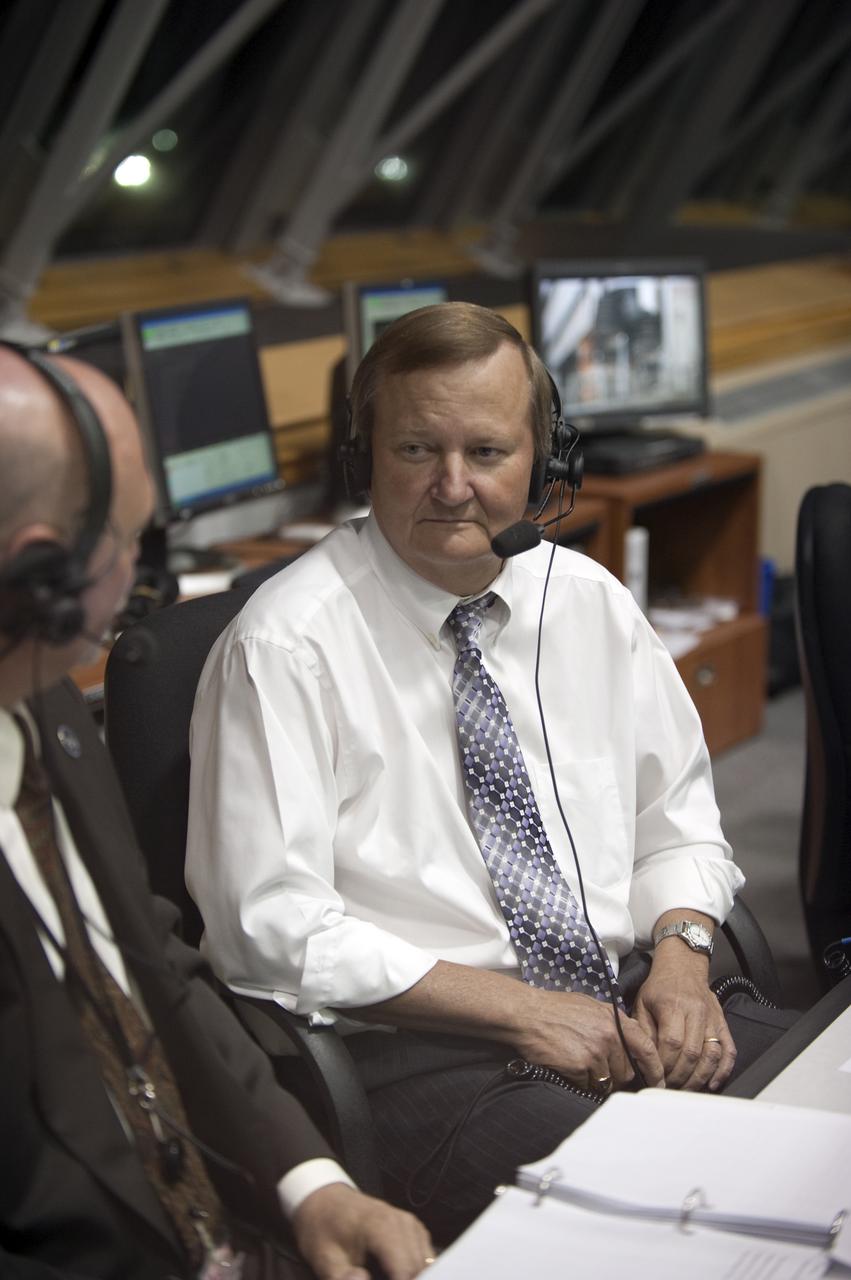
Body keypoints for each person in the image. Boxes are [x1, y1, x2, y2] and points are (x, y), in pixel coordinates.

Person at [186, 303, 796, 1244]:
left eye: (486, 452)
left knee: (812, 1135)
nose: (452, 486)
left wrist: (681, 960)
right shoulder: (283, 647)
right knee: (677, 1233)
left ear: (544, 464)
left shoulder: (586, 601)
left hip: (634, 1004)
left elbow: (676, 819)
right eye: (415, 450)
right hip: (435, 1056)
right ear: (362, 460)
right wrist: (519, 1011)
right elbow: (264, 928)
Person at [0, 343, 433, 1280]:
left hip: (212, 1221)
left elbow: (151, 960)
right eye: (128, 542)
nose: (140, 578)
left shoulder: (45, 704)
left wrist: (312, 1185)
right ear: (41, 571)